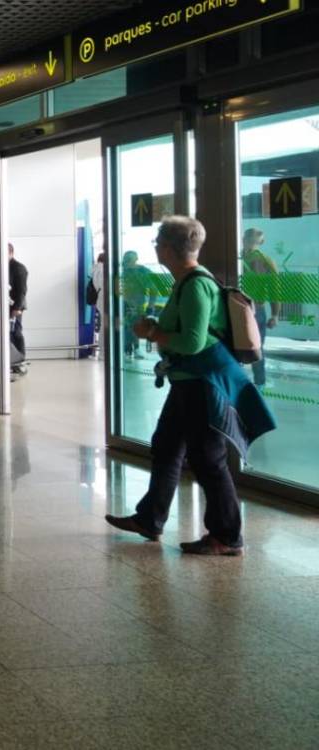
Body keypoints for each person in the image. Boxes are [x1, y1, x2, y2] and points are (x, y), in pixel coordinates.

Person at [106, 216, 275, 556]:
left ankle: (227, 536)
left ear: (169, 247)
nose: (155, 247)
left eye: (158, 241)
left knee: (208, 458)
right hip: (187, 382)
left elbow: (194, 341)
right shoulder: (184, 282)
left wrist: (152, 333)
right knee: (167, 447)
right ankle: (150, 518)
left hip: (203, 384)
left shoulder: (196, 284)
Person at [241, 228, 279, 386]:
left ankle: (238, 382)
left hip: (235, 308)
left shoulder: (234, 258)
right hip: (256, 309)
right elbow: (274, 291)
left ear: (243, 238)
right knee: (257, 348)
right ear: (261, 242)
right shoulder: (267, 261)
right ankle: (259, 384)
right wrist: (275, 315)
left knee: (234, 346)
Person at [121, 250, 159, 359]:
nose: (127, 263)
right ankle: (128, 350)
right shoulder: (122, 271)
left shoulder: (143, 271)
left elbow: (153, 289)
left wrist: (151, 306)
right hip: (123, 304)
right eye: (126, 260)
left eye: (129, 260)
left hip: (138, 305)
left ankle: (135, 349)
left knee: (134, 327)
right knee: (127, 327)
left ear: (135, 259)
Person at [7, 243, 29, 374]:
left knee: (16, 332)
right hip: (4, 305)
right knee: (8, 333)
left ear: (11, 252)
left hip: (15, 306)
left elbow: (22, 290)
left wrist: (17, 307)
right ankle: (10, 360)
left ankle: (20, 360)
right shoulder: (2, 266)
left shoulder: (18, 268)